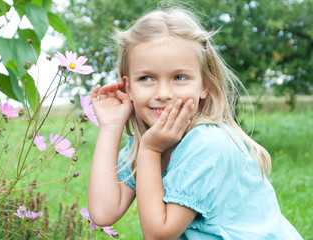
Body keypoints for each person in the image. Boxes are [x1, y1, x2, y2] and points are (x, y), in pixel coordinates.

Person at [87, 6, 303, 240]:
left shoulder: (208, 143)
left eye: (179, 77)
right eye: (146, 78)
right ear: (128, 87)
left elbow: (158, 235)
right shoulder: (145, 142)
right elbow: (103, 213)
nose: (163, 93)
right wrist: (111, 128)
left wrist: (150, 150)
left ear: (204, 85)